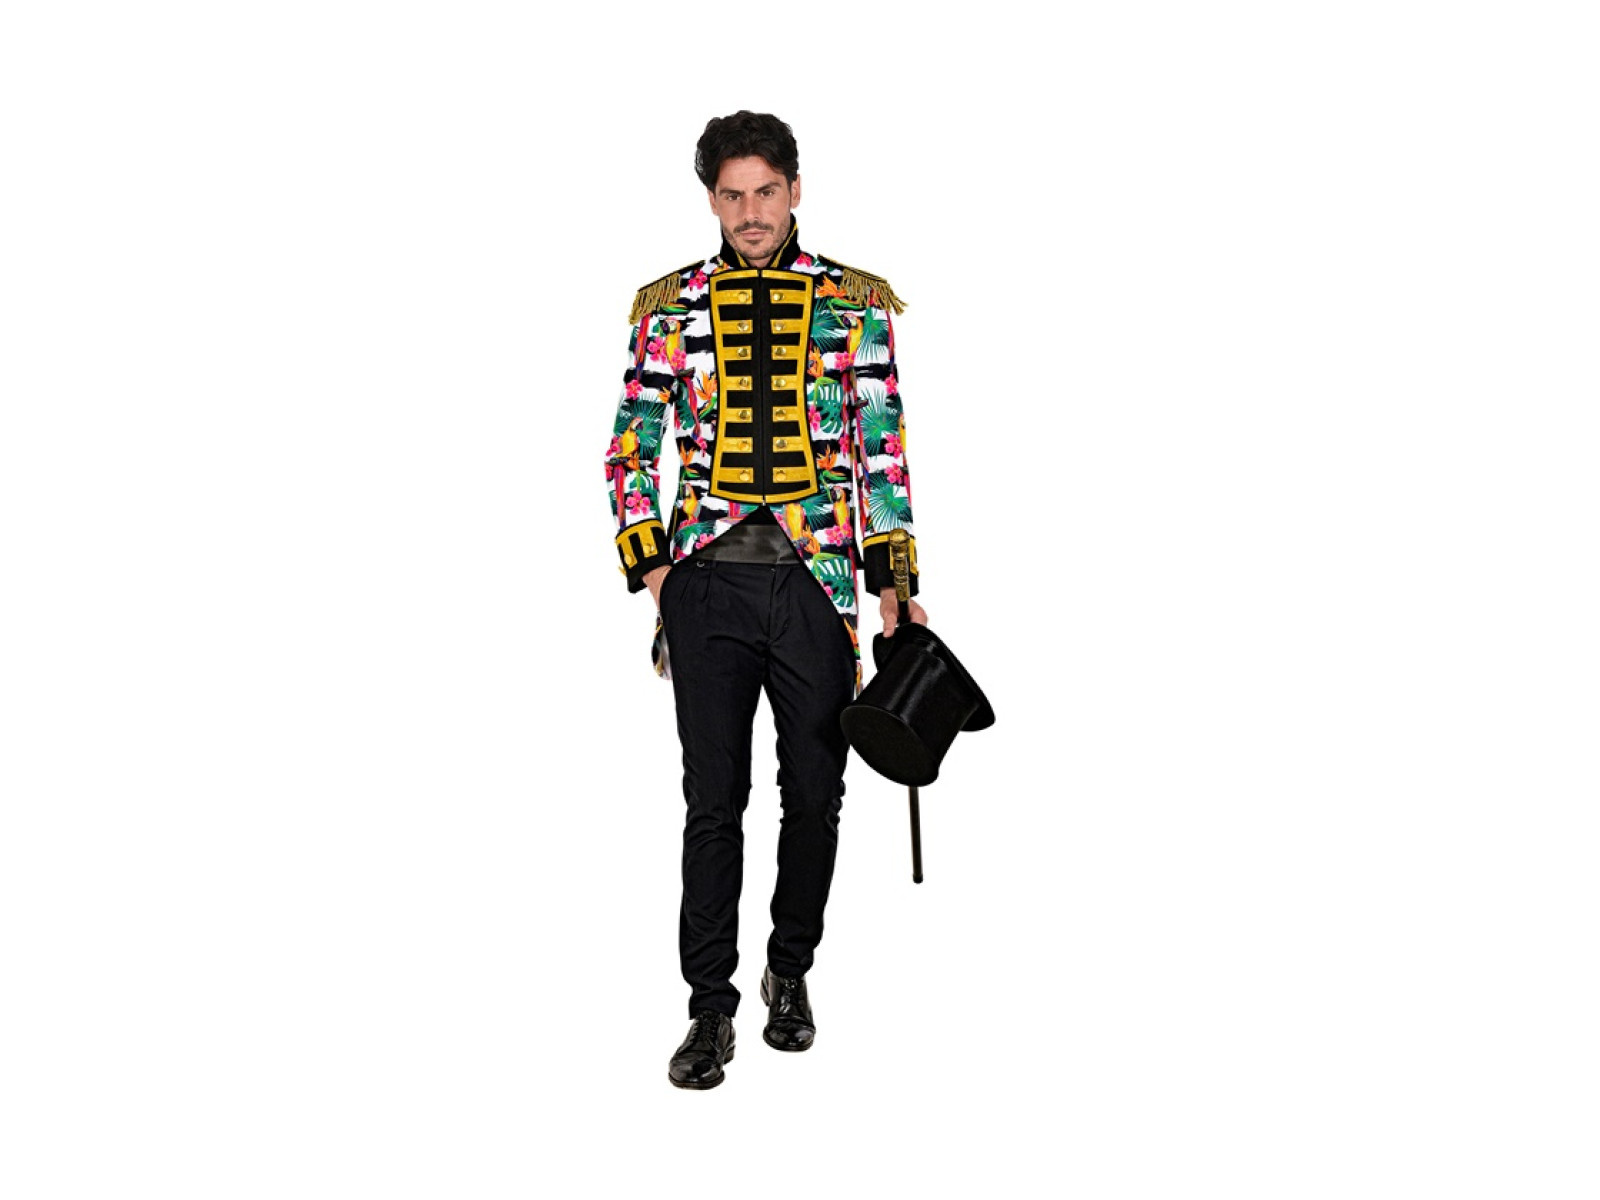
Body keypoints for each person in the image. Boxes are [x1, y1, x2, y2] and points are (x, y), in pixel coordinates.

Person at [603, 111, 927, 1090]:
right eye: (732, 195)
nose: (750, 213)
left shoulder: (852, 303)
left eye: (766, 192)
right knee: (714, 803)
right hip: (705, 587)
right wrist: (659, 574)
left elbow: (880, 450)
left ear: (794, 190)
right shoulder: (669, 308)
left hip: (816, 588)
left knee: (816, 796)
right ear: (712, 199)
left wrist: (895, 588)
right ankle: (709, 1008)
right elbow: (629, 448)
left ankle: (790, 970)